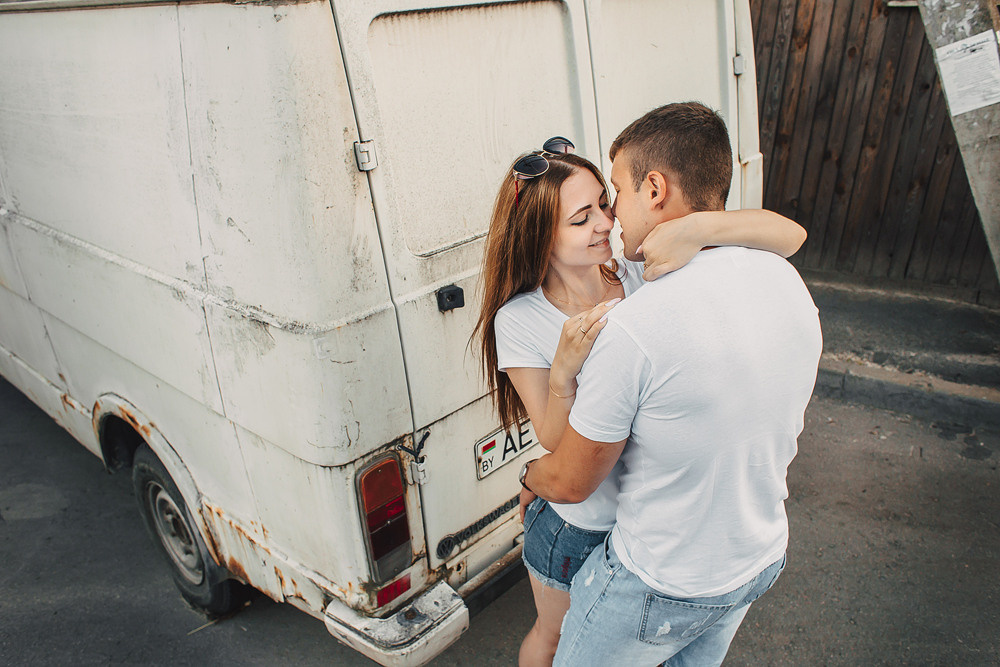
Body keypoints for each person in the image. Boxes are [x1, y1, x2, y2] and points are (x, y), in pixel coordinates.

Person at [473, 136, 808, 667]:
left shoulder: (632, 269)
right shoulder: (521, 320)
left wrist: (696, 227)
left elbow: (788, 234)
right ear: (541, 238)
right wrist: (563, 372)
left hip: (640, 528)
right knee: (553, 639)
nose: (606, 224)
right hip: (578, 524)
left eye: (604, 204)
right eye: (582, 219)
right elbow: (557, 445)